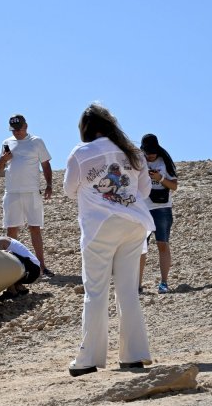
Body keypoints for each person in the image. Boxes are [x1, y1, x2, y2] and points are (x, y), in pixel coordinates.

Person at [63, 103, 155, 377]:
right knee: (127, 291)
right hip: (134, 223)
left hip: (100, 226)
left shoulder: (81, 153)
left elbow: (69, 190)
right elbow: (145, 189)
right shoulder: (133, 152)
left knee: (96, 291)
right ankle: (134, 356)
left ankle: (88, 359)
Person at [0, 114, 54, 277]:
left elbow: (45, 164)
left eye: (19, 129)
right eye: (14, 129)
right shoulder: (6, 143)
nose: (17, 132)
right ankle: (13, 267)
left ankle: (42, 266)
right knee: (11, 229)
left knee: (35, 228)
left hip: (32, 191)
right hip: (12, 192)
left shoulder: (36, 141)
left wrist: (49, 184)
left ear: (26, 126)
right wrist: (2, 159)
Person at [138, 134, 178, 294]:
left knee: (162, 244)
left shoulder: (165, 161)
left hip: (162, 208)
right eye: (148, 153)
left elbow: (174, 186)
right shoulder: (138, 161)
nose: (151, 156)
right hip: (142, 208)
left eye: (153, 152)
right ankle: (137, 285)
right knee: (141, 248)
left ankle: (164, 282)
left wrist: (160, 178)